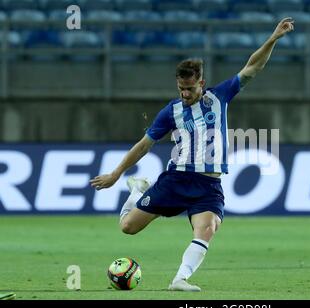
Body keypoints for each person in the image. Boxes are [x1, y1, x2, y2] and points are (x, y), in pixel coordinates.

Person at [90, 17, 295, 292]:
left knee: (207, 229)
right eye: (181, 89)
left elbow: (252, 67)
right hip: (177, 179)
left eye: (190, 88)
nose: (185, 93)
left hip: (208, 183)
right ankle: (136, 191)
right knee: (128, 228)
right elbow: (144, 145)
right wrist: (116, 173)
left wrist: (273, 38)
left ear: (202, 83)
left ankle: (179, 279)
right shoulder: (171, 111)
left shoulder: (219, 96)